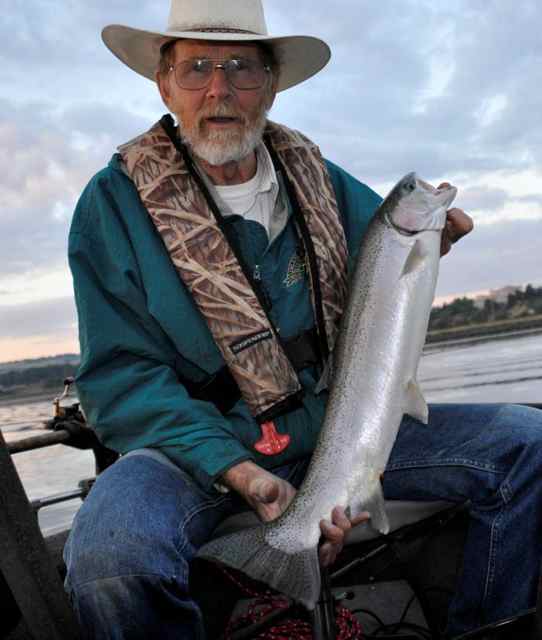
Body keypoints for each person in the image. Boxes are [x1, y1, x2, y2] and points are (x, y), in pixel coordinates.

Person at [63, 1, 542, 638]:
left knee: (527, 446)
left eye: (241, 67)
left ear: (272, 84)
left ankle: (489, 627)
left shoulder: (318, 174)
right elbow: (120, 382)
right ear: (163, 84)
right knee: (108, 561)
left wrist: (435, 242)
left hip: (343, 427)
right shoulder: (110, 204)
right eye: (196, 67)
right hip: (196, 449)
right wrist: (238, 471)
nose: (219, 88)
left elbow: (388, 269)